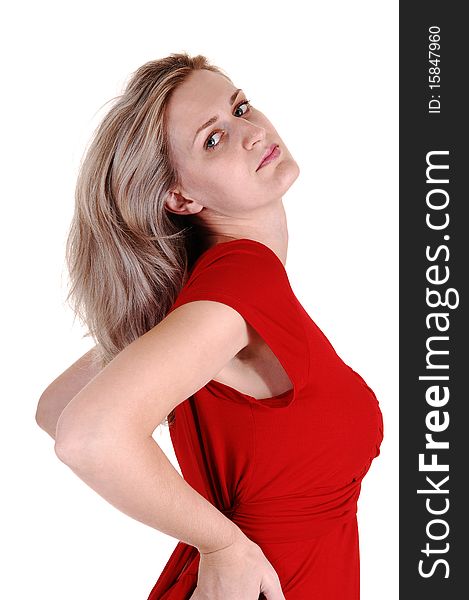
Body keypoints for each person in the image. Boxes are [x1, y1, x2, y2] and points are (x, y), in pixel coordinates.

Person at [35, 52, 384, 599]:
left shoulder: (211, 297)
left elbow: (57, 407)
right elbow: (85, 433)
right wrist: (222, 545)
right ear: (181, 197)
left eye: (240, 107)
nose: (250, 131)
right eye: (213, 139)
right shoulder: (244, 281)